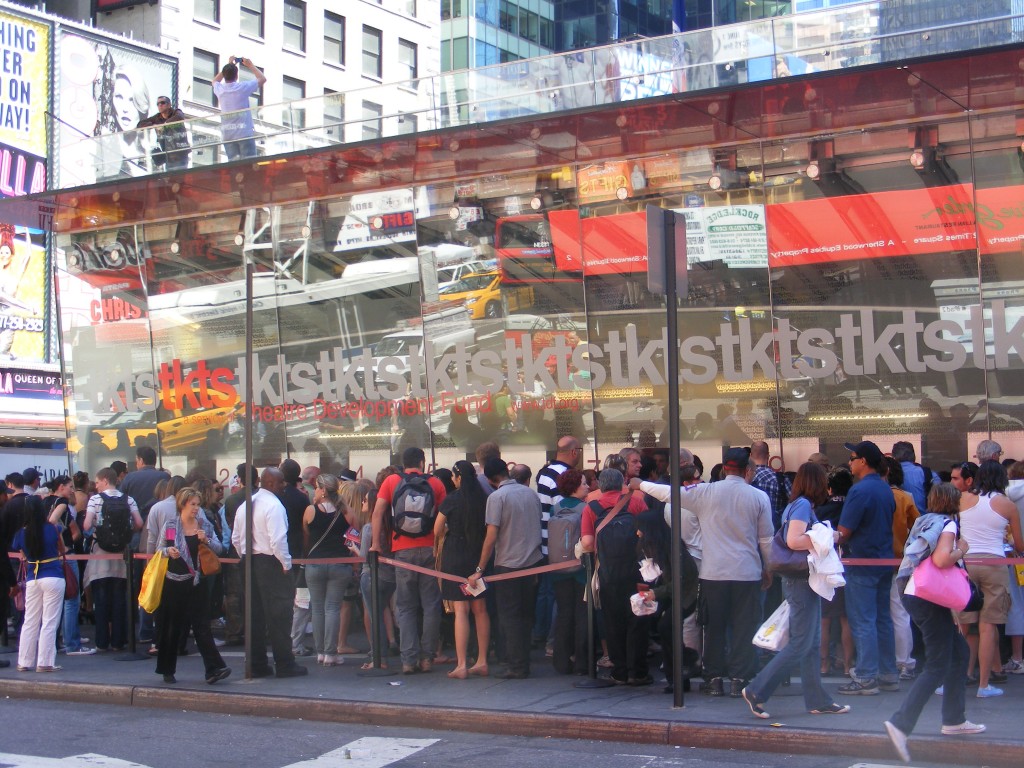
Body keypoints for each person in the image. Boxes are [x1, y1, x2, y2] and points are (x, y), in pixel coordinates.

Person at [632, 447, 773, 697]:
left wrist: (640, 484)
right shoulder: (759, 497)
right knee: (743, 627)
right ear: (746, 470)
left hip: (713, 573)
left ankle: (714, 679)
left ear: (725, 468)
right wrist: (768, 568)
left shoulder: (706, 492)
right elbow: (766, 539)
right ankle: (739, 679)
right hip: (747, 571)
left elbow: (669, 493)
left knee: (713, 627)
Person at [884, 484, 986, 764]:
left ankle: (954, 720)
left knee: (960, 653)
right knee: (938, 664)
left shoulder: (924, 520)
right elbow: (942, 559)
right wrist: (961, 550)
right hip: (927, 599)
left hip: (918, 595)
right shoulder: (948, 525)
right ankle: (900, 723)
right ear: (955, 503)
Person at [741, 462, 850, 719]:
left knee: (810, 643)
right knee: (802, 643)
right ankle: (757, 689)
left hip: (800, 580)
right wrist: (825, 537)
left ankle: (817, 700)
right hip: (802, 581)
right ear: (816, 481)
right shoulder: (802, 506)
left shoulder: (796, 505)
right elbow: (794, 540)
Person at [371, 446, 447, 675]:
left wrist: (375, 543)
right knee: (431, 606)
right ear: (423, 462)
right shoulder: (435, 483)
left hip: (402, 551)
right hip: (429, 551)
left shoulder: (392, 481)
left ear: (403, 463)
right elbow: (444, 518)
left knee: (405, 607)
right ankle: (427, 659)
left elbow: (377, 513)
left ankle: (408, 660)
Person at [468, 457, 544, 679]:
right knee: (527, 614)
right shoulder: (530, 493)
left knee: (509, 616)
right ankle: (524, 660)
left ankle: (516, 665)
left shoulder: (496, 497)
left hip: (508, 565)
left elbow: (491, 537)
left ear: (491, 480)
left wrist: (480, 568)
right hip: (533, 563)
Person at [231, 467, 307, 678]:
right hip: (270, 562)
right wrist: (286, 564)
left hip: (248, 561)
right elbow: (278, 541)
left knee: (253, 615)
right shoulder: (274, 506)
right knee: (280, 616)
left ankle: (257, 663)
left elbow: (236, 539)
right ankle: (284, 663)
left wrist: (245, 556)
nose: (284, 486)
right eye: (281, 482)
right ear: (271, 483)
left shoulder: (246, 505)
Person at [956, 460, 1023, 697]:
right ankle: (984, 685)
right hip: (995, 564)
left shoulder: (963, 500)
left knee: (963, 625)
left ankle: (959, 678)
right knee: (988, 626)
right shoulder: (1007, 505)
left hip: (968, 562)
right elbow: (1020, 543)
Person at [837, 440, 899, 695]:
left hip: (862, 562)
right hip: (884, 560)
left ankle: (865, 677)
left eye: (852, 458)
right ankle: (888, 674)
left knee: (863, 620)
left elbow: (845, 531)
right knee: (883, 618)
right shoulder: (886, 489)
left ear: (863, 461)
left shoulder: (859, 491)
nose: (850, 463)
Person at [154, 487, 230, 685]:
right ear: (183, 504)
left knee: (202, 626)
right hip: (174, 580)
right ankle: (167, 669)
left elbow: (219, 549)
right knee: (173, 626)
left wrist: (206, 540)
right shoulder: (171, 524)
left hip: (198, 581)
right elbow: (159, 548)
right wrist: (168, 551)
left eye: (198, 504)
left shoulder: (204, 524)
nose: (196, 508)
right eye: (193, 504)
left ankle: (214, 669)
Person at [434, 460, 491, 679]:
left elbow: (437, 529)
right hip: (478, 555)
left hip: (455, 555)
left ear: (458, 477)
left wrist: (450, 529)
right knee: (481, 610)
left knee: (461, 611)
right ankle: (482, 661)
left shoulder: (452, 500)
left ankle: (461, 665)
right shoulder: (484, 499)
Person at [82, 467, 143, 652]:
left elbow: (86, 525)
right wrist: (124, 535)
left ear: (106, 480)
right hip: (121, 556)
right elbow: (139, 523)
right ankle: (119, 641)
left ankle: (102, 641)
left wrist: (97, 531)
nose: (96, 485)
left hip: (100, 553)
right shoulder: (128, 499)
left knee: (101, 599)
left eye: (98, 481)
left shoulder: (95, 499)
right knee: (119, 599)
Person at [302, 473, 355, 667]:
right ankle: (331, 653)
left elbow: (306, 535)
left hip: (314, 563)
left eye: (317, 487)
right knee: (333, 607)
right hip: (339, 564)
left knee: (317, 608)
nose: (315, 490)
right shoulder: (345, 510)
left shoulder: (310, 510)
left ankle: (321, 652)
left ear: (323, 490)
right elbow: (354, 531)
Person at [344, 479, 396, 669]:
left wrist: (354, 548)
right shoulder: (390, 527)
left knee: (375, 618)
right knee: (382, 613)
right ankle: (382, 655)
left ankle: (378, 658)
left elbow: (366, 556)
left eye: (366, 501)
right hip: (390, 576)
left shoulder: (368, 528)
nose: (363, 503)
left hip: (371, 574)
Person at [12, 496, 65, 672]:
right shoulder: (52, 528)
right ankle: (45, 662)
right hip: (53, 575)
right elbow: (61, 549)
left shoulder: (20, 533)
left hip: (32, 578)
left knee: (30, 621)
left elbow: (23, 555)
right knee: (49, 621)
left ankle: (24, 661)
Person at [549, 468, 590, 676]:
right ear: (575, 486)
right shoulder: (586, 508)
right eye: (584, 483)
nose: (588, 486)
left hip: (558, 568)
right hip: (581, 569)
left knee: (564, 614)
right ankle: (583, 663)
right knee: (582, 615)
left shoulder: (556, 508)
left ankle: (561, 662)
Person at [213, 57, 266, 160]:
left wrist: (228, 65)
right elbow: (262, 79)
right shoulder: (242, 87)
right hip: (244, 133)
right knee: (249, 166)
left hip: (228, 135)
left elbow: (215, 80)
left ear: (224, 76)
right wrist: (250, 65)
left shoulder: (220, 89)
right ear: (237, 76)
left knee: (234, 169)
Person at [105, 65, 151, 177]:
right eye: (119, 97)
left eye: (132, 100)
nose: (125, 108)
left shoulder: (150, 157)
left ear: (141, 105)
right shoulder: (102, 148)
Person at [136, 95, 190, 170]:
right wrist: (153, 125)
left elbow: (180, 117)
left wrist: (164, 125)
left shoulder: (176, 112)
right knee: (170, 179)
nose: (160, 105)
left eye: (162, 103)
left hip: (180, 153)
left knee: (180, 177)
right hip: (168, 156)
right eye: (158, 104)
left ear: (169, 105)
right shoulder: (157, 117)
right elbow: (140, 125)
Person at [120, 446, 170, 520]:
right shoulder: (165, 476)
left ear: (141, 460)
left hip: (137, 523)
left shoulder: (130, 477)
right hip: (160, 521)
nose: (136, 464)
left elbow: (121, 499)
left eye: (136, 460)